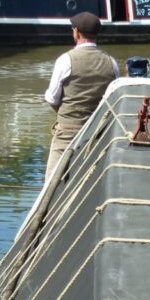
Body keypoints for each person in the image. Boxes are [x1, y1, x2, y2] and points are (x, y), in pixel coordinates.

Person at [44, 12, 118, 180]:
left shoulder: (65, 60)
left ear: (76, 32)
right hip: (96, 131)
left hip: (67, 133)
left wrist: (67, 115)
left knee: (52, 183)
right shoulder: (111, 62)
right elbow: (112, 99)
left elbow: (52, 98)